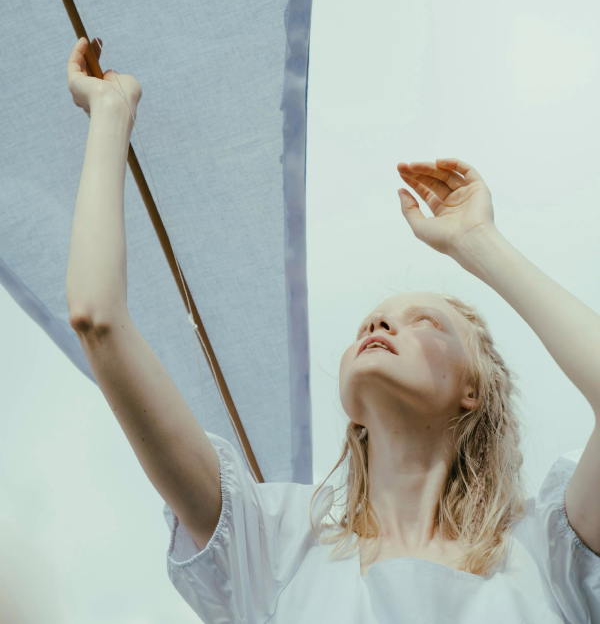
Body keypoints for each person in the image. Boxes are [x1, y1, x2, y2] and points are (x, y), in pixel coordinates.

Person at [66, 36, 600, 623]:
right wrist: (111, 112)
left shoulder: (545, 558)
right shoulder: (273, 551)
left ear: (474, 389)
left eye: (424, 322)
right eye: (374, 321)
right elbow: (98, 319)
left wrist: (479, 243)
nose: (378, 323)